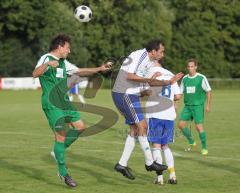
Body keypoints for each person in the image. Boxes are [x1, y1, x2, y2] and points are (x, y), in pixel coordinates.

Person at [32, 34, 111, 187]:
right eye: (68, 48)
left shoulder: (63, 62)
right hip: (51, 103)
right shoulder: (46, 58)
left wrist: (100, 69)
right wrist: (48, 65)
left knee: (81, 127)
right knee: (60, 136)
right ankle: (63, 173)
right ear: (60, 47)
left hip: (64, 102)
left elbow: (79, 71)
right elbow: (35, 73)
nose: (69, 51)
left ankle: (58, 151)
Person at [111, 39, 184, 180]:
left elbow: (145, 81)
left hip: (132, 94)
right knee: (142, 126)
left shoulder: (150, 62)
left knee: (135, 129)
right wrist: (149, 81)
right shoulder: (140, 55)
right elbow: (129, 76)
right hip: (124, 93)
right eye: (161, 51)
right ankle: (150, 163)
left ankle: (122, 164)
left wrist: (168, 82)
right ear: (153, 51)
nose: (163, 54)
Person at [145, 60, 181, 185]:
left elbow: (144, 92)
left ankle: (160, 178)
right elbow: (178, 96)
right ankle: (173, 175)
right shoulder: (171, 76)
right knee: (165, 146)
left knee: (156, 146)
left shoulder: (151, 74)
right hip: (169, 115)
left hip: (155, 114)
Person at [178, 59, 211, 155]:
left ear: (196, 67)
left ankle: (204, 148)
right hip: (187, 106)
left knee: (198, 127)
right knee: (180, 125)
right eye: (188, 67)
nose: (190, 68)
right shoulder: (185, 79)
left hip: (198, 106)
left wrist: (208, 105)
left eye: (192, 66)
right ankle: (192, 141)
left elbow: (208, 91)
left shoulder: (201, 78)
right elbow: (180, 92)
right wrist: (175, 104)